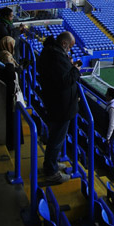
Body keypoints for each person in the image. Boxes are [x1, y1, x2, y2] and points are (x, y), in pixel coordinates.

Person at [37, 32, 81, 186]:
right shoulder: (55, 56)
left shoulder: (51, 52)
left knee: (55, 137)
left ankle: (52, 163)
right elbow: (64, 81)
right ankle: (51, 172)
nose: (70, 50)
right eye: (70, 46)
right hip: (60, 106)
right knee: (56, 138)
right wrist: (75, 69)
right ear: (64, 43)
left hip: (56, 103)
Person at [0, 35, 20, 147]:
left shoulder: (1, 53)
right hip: (9, 93)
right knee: (11, 120)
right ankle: (12, 143)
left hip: (7, 92)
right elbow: (10, 74)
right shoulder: (6, 56)